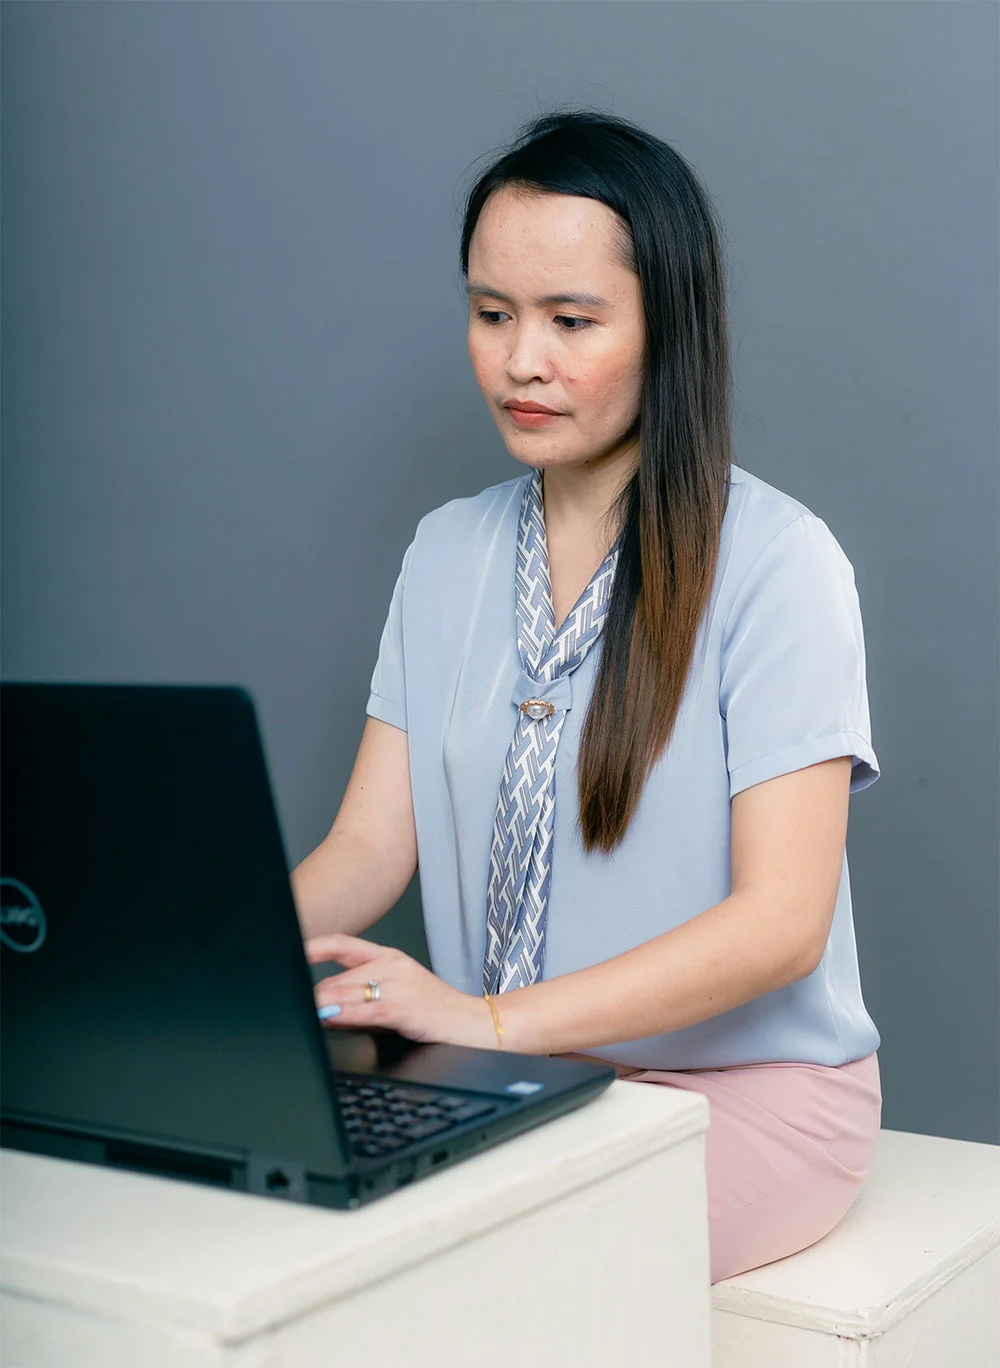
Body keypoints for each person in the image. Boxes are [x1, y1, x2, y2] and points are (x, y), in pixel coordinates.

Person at [292, 111, 883, 1284]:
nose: (522, 361)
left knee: (489, 1275)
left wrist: (492, 1021)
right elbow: (368, 843)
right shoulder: (445, 552)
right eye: (491, 313)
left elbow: (781, 922)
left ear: (668, 328)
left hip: (744, 1100)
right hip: (510, 1078)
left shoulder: (776, 559)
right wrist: (225, 959)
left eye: (572, 321)